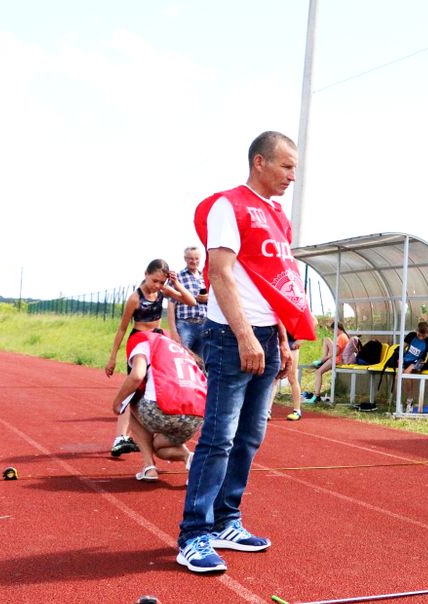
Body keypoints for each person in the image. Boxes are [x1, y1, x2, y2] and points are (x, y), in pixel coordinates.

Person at [177, 131, 316, 574]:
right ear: (260, 162)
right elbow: (220, 274)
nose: (293, 175)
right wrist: (244, 336)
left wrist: (281, 337)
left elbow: (276, 282)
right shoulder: (228, 206)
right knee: (217, 438)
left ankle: (226, 520)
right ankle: (193, 536)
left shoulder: (277, 215)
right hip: (230, 337)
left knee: (250, 436)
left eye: (295, 167)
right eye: (286, 166)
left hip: (267, 337)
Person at [105, 259, 196, 457]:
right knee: (134, 390)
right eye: (154, 280)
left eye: (161, 282)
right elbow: (122, 329)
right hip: (139, 342)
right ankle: (120, 438)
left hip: (157, 341)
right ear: (146, 274)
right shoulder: (135, 299)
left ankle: (148, 432)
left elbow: (191, 301)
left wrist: (176, 284)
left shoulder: (163, 291)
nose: (157, 285)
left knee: (157, 386)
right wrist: (112, 358)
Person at [110, 331, 206, 482]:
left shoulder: (143, 343)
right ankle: (189, 457)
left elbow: (136, 376)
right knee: (159, 448)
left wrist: (117, 402)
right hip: (196, 418)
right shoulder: (180, 350)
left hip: (165, 412)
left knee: (132, 400)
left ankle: (149, 468)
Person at [169, 246, 209, 358]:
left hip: (203, 323)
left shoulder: (204, 277)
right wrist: (173, 330)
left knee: (202, 361)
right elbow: (171, 304)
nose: (194, 261)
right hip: (185, 324)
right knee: (182, 357)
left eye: (197, 258)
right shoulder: (177, 277)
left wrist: (207, 299)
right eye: (190, 258)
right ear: (185, 259)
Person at [301, 321, 351, 404]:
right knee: (326, 340)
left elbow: (336, 352)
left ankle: (316, 396)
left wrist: (326, 358)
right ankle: (321, 361)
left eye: (333, 331)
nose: (333, 333)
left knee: (318, 372)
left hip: (337, 360)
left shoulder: (342, 337)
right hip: (336, 358)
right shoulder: (343, 336)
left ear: (337, 329)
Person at [397, 321, 428, 412]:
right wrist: (400, 358)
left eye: (423, 336)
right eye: (419, 335)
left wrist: (414, 365)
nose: (421, 337)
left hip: (418, 362)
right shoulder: (411, 336)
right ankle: (399, 402)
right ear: (416, 331)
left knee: (407, 374)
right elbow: (402, 348)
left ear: (427, 333)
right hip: (406, 359)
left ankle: (409, 401)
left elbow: (425, 359)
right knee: (398, 376)